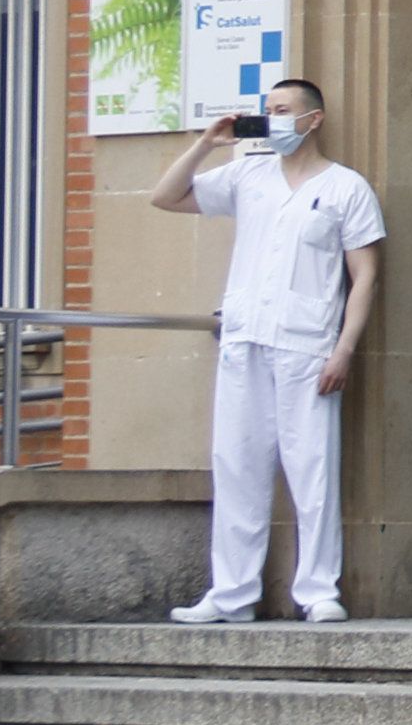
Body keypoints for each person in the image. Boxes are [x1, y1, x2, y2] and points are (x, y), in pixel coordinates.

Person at [154, 78, 386, 623]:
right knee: (236, 465)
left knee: (312, 469)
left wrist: (344, 350)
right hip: (244, 339)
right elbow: (165, 196)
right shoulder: (248, 175)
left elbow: (366, 275)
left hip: (307, 346)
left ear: (314, 119)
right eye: (268, 111)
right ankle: (232, 594)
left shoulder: (347, 187)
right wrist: (206, 143)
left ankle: (318, 590)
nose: (273, 119)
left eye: (283, 111)